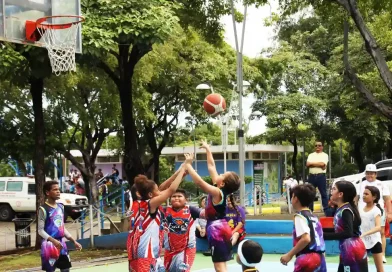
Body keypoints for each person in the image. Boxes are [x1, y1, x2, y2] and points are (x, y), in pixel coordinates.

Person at [127, 154, 191, 272]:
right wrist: (183, 168)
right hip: (145, 253)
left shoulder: (137, 205)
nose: (160, 191)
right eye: (157, 191)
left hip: (138, 252)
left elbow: (162, 187)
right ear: (148, 195)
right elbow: (170, 190)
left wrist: (179, 174)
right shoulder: (149, 205)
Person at [185, 141, 241, 272]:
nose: (219, 174)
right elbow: (211, 166)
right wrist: (208, 149)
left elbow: (199, 182)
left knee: (219, 267)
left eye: (222, 175)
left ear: (222, 183)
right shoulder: (220, 188)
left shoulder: (217, 192)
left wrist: (188, 165)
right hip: (219, 228)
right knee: (221, 265)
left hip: (217, 230)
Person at [280, 184, 326, 271]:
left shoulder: (300, 217)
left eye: (292, 196)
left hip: (307, 258)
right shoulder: (314, 217)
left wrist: (289, 255)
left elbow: (306, 239)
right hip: (320, 258)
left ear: (295, 198)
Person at [324, 181, 368, 272]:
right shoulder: (341, 208)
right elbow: (339, 229)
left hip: (352, 249)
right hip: (347, 248)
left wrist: (323, 236)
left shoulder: (346, 210)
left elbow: (348, 232)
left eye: (334, 189)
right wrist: (320, 231)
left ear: (340, 194)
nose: (331, 191)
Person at [38, 181, 82, 272]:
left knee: (66, 269)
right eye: (55, 189)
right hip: (49, 245)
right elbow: (40, 230)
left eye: (58, 189)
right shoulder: (43, 209)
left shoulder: (61, 207)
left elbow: (62, 227)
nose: (58, 191)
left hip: (62, 244)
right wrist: (53, 241)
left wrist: (74, 241)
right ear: (47, 192)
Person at [356, 164, 392, 263]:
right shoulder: (361, 184)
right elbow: (356, 198)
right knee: (362, 232)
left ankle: (382, 255)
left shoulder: (381, 184)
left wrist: (389, 213)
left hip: (377, 212)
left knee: (381, 232)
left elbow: (387, 199)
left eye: (372, 173)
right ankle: (364, 254)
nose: (370, 175)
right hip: (363, 212)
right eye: (368, 173)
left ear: (376, 174)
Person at [163, 189, 203, 272]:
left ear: (186, 200)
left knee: (183, 271)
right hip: (170, 250)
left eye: (179, 196)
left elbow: (205, 214)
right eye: (174, 196)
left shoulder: (191, 210)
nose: (176, 198)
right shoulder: (165, 211)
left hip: (187, 249)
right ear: (170, 199)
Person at [360, 186, 384, 272]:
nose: (364, 195)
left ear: (374, 197)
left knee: (380, 269)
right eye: (363, 193)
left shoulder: (376, 210)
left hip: (375, 242)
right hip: (362, 242)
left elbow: (378, 227)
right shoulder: (361, 209)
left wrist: (365, 233)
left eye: (366, 194)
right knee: (362, 268)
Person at [306, 141, 329, 213]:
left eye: (319, 145)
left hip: (321, 176)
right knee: (310, 193)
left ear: (322, 147)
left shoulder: (325, 155)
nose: (317, 147)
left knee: (323, 194)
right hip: (311, 176)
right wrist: (319, 164)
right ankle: (310, 210)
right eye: (316, 146)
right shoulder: (311, 155)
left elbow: (323, 164)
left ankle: (326, 210)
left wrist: (312, 164)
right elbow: (307, 164)